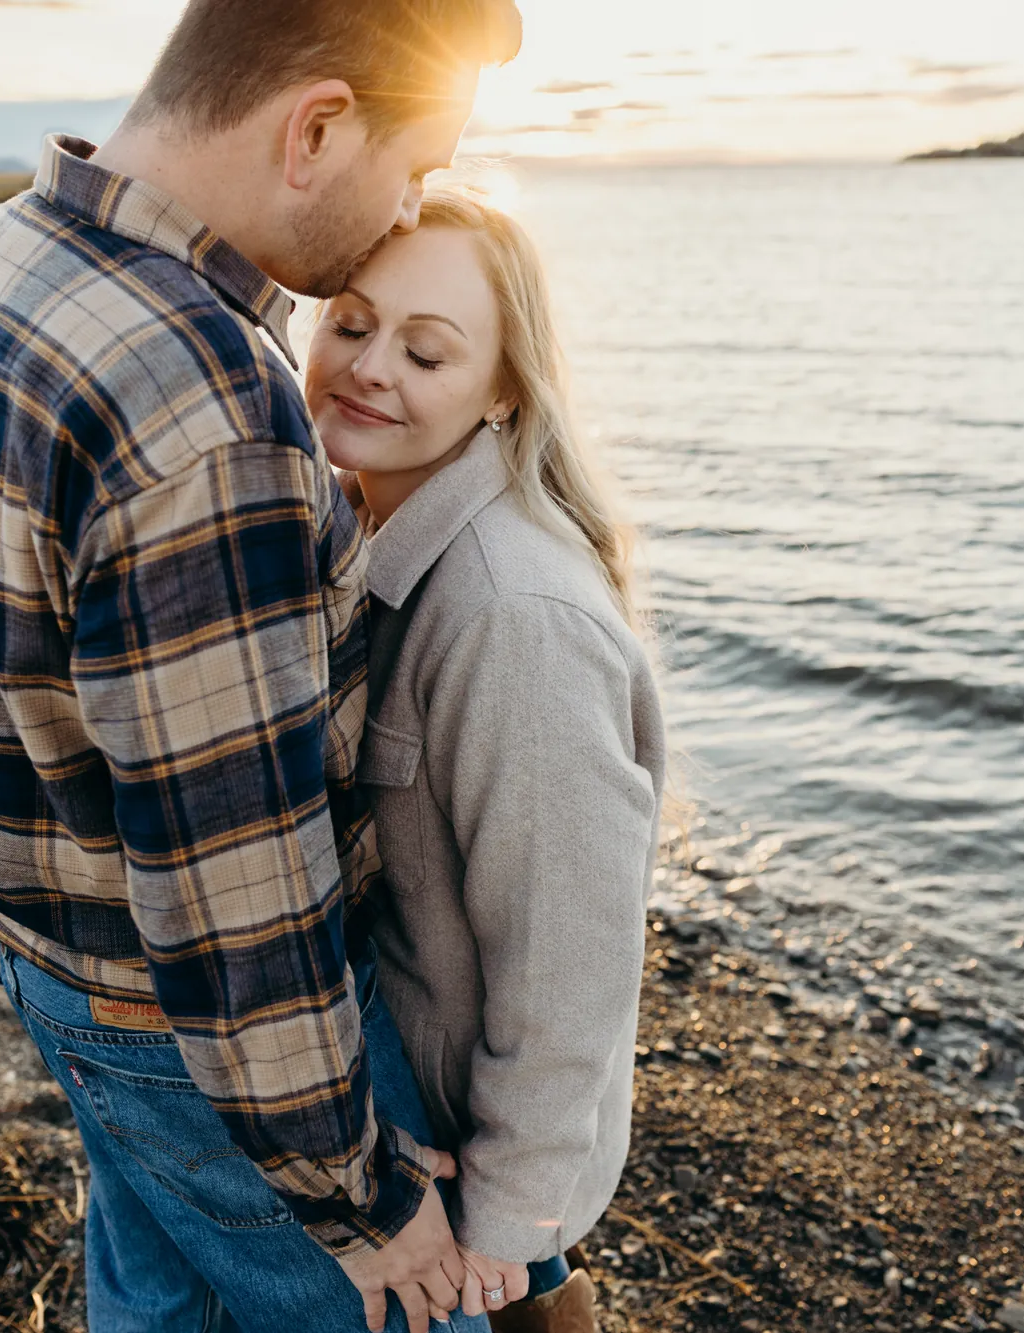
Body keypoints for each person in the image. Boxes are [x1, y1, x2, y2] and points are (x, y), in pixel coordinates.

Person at [0, 3, 522, 1331]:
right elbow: (236, 877)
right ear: (316, 128)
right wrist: (358, 1194)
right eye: (416, 166)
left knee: (163, 1306)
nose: (410, 209)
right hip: (188, 1031)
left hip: (47, 959)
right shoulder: (203, 398)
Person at [304, 191, 667, 1333]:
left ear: (503, 389)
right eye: (352, 326)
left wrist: (508, 1220)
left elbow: (572, 961)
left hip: (467, 1165)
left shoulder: (513, 615)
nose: (368, 370)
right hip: (406, 1118)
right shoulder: (363, 529)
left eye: (425, 351)